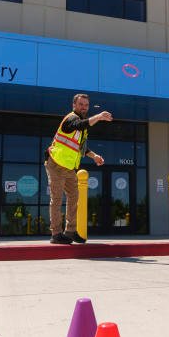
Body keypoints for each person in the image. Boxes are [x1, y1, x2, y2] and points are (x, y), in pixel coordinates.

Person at [45, 93, 112, 244]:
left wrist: (94, 156)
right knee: (56, 199)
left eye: (86, 105)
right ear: (74, 105)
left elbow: (81, 147)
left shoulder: (82, 125)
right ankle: (56, 234)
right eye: (81, 104)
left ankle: (70, 231)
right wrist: (99, 117)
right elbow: (80, 125)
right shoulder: (71, 119)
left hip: (69, 167)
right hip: (55, 163)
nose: (84, 107)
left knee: (74, 197)